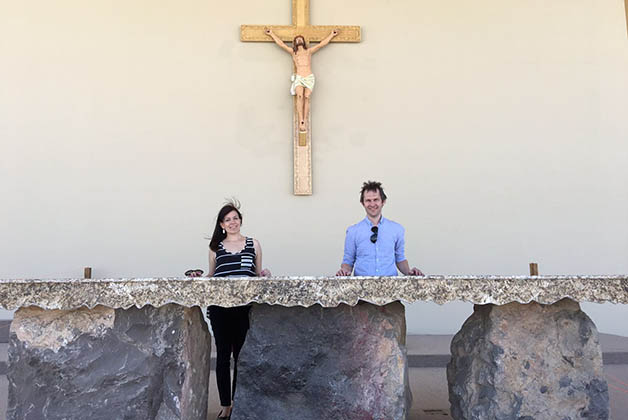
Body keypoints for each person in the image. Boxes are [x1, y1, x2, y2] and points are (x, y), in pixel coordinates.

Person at [190, 201, 270, 420]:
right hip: (220, 309)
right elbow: (212, 275)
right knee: (223, 356)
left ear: (240, 220)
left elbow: (257, 274)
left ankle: (240, 401)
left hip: (244, 309)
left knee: (241, 357)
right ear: (222, 224)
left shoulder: (254, 244)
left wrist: (265, 275)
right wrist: (199, 278)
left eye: (235, 218)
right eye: (228, 219)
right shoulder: (215, 247)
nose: (233, 222)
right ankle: (226, 405)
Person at [336, 181, 424, 277]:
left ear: (383, 201)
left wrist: (409, 272)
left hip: (391, 287)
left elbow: (400, 258)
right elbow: (348, 261)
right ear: (362, 203)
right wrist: (344, 272)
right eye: (368, 200)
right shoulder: (353, 231)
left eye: (376, 199)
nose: (372, 204)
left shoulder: (397, 229)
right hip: (361, 289)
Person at [265, 28, 339, 133]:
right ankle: (301, 120)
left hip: (309, 77)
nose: (299, 41)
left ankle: (305, 119)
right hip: (299, 77)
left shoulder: (309, 52)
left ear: (303, 42)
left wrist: (332, 35)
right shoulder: (293, 52)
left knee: (307, 97)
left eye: (301, 39)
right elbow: (281, 44)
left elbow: (321, 44)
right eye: (297, 40)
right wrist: (272, 34)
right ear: (295, 42)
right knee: (299, 96)